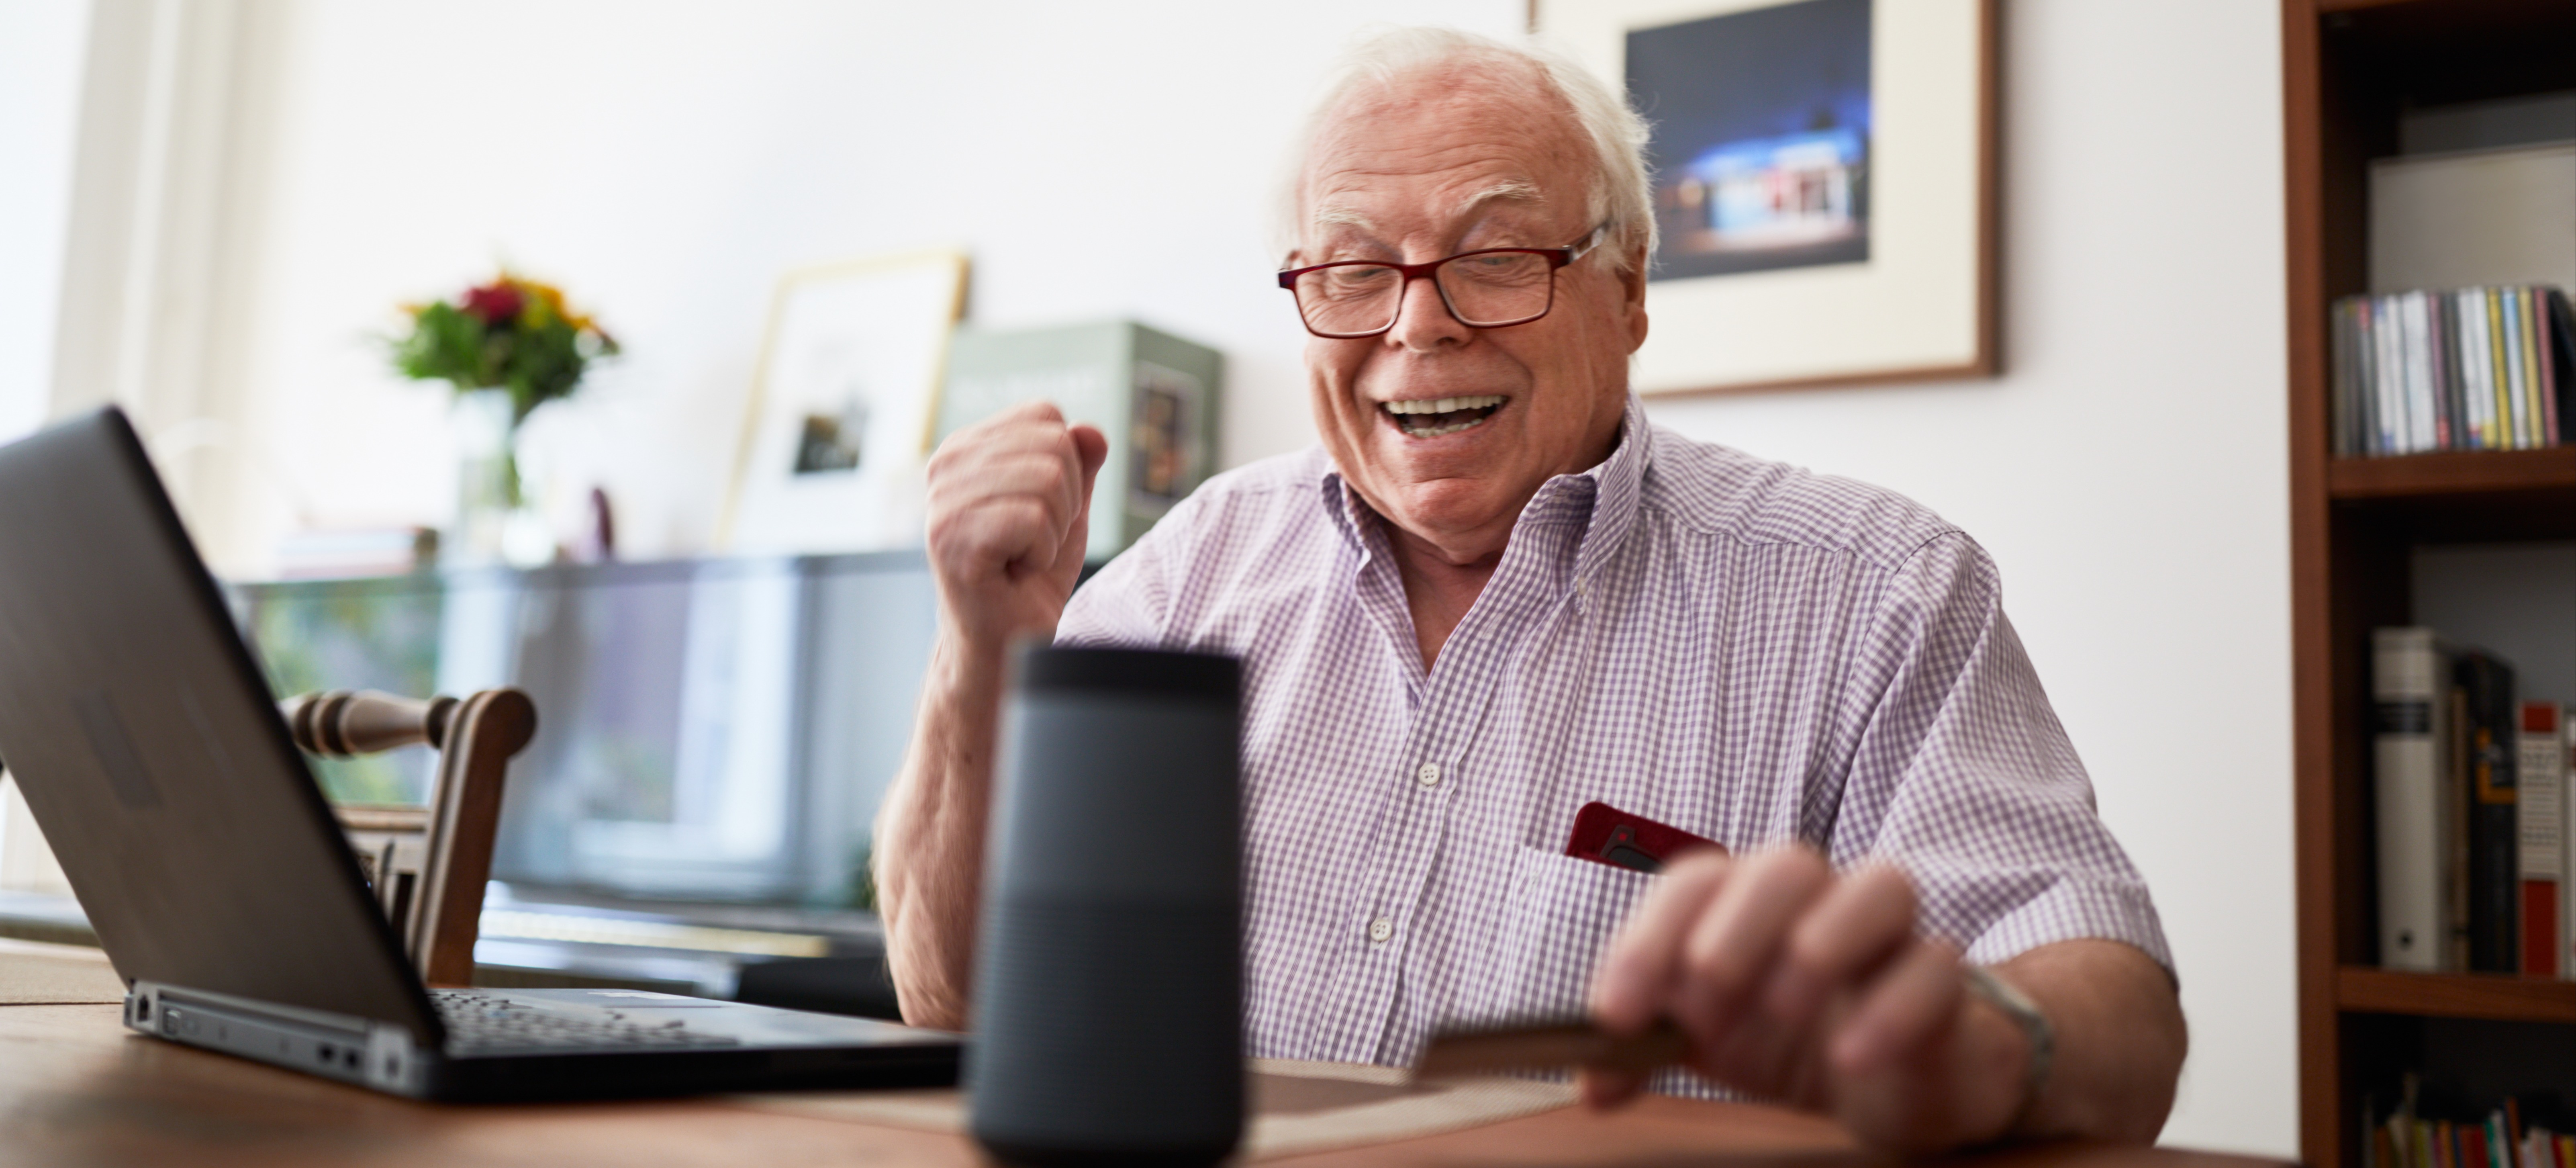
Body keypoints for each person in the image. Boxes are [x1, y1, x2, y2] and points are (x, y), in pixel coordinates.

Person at [873, 27, 2186, 1152]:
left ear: (1627, 290)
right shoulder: (1190, 571)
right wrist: (981, 650)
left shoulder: (1875, 593)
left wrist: (1981, 1047)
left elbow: (2123, 1020)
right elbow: (954, 1002)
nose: (1416, 325)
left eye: (1497, 255)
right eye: (1353, 269)